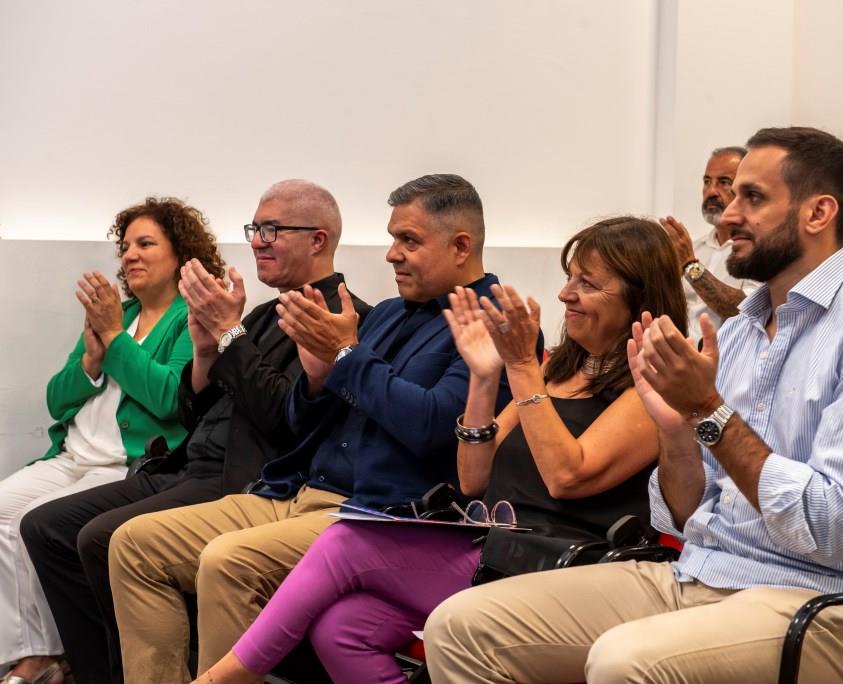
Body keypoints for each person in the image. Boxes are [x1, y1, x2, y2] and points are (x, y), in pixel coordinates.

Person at [424, 127, 843, 684]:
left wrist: (707, 409)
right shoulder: (744, 330)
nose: (727, 216)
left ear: (819, 212)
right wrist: (677, 431)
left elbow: (826, 528)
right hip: (702, 573)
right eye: (731, 197)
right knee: (461, 628)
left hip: (826, 608)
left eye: (752, 197)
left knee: (625, 662)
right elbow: (683, 514)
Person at [192, 215, 687, 684]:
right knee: (344, 627)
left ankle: (227, 675)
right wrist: (483, 376)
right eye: (569, 277)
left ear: (638, 296)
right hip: (497, 548)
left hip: (566, 569)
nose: (565, 293)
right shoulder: (557, 369)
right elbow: (473, 476)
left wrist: (521, 371)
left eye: (587, 283)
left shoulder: (652, 384)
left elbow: (566, 475)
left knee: (346, 542)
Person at [106, 174, 513, 682]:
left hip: (379, 517)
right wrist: (317, 382)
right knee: (133, 544)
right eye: (392, 238)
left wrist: (345, 355)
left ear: (460, 246)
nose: (391, 254)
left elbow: (432, 427)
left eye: (408, 240)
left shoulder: (496, 321)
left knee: (227, 561)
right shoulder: (386, 314)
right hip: (295, 489)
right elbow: (299, 424)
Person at [19, 180, 369, 684]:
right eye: (254, 229)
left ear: (318, 239)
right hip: (186, 462)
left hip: (243, 478)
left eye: (271, 229)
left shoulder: (342, 317)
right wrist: (207, 350)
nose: (257, 241)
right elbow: (193, 407)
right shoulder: (263, 313)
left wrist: (229, 333)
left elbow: (286, 420)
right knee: (44, 527)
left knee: (101, 538)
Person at [0, 198, 224, 684]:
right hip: (71, 454)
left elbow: (171, 397)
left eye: (145, 244)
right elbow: (56, 400)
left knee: (31, 524)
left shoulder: (189, 317)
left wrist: (113, 338)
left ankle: (47, 660)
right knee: (1, 509)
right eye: (125, 247)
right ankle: (36, 652)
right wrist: (91, 362)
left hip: (127, 466)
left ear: (181, 254)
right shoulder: (115, 312)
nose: (129, 256)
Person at [661, 146, 758, 340]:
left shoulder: (758, 251)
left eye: (724, 182)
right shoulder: (695, 248)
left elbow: (744, 310)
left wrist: (690, 266)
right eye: (707, 181)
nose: (711, 191)